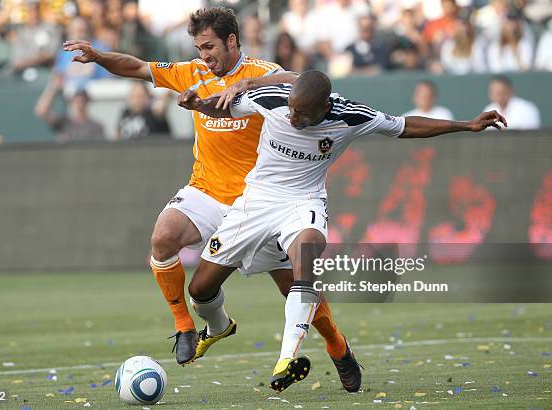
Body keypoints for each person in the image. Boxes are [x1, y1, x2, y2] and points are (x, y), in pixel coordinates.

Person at [63, 9, 353, 387]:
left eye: (210, 46)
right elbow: (137, 67)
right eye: (199, 47)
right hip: (206, 190)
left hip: (259, 204)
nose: (204, 55)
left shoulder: (264, 72)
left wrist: (247, 84)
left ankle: (338, 347)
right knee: (163, 238)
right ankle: (186, 327)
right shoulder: (191, 72)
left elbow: (302, 81)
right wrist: (100, 56)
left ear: (232, 41)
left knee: (295, 287)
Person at [178, 70, 507, 392]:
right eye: (291, 109)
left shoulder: (351, 116)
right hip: (255, 202)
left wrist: (467, 125)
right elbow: (221, 108)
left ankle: (286, 361)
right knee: (200, 290)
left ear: (324, 108)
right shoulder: (271, 98)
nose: (293, 117)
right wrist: (198, 104)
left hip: (303, 202)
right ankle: (222, 328)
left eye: (302, 114)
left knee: (305, 264)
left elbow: (406, 126)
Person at [34, 74, 105, 142]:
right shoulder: (64, 122)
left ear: (87, 102)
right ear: (71, 102)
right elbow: (41, 111)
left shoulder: (96, 126)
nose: (79, 105)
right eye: (76, 101)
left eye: (82, 101)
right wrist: (54, 88)